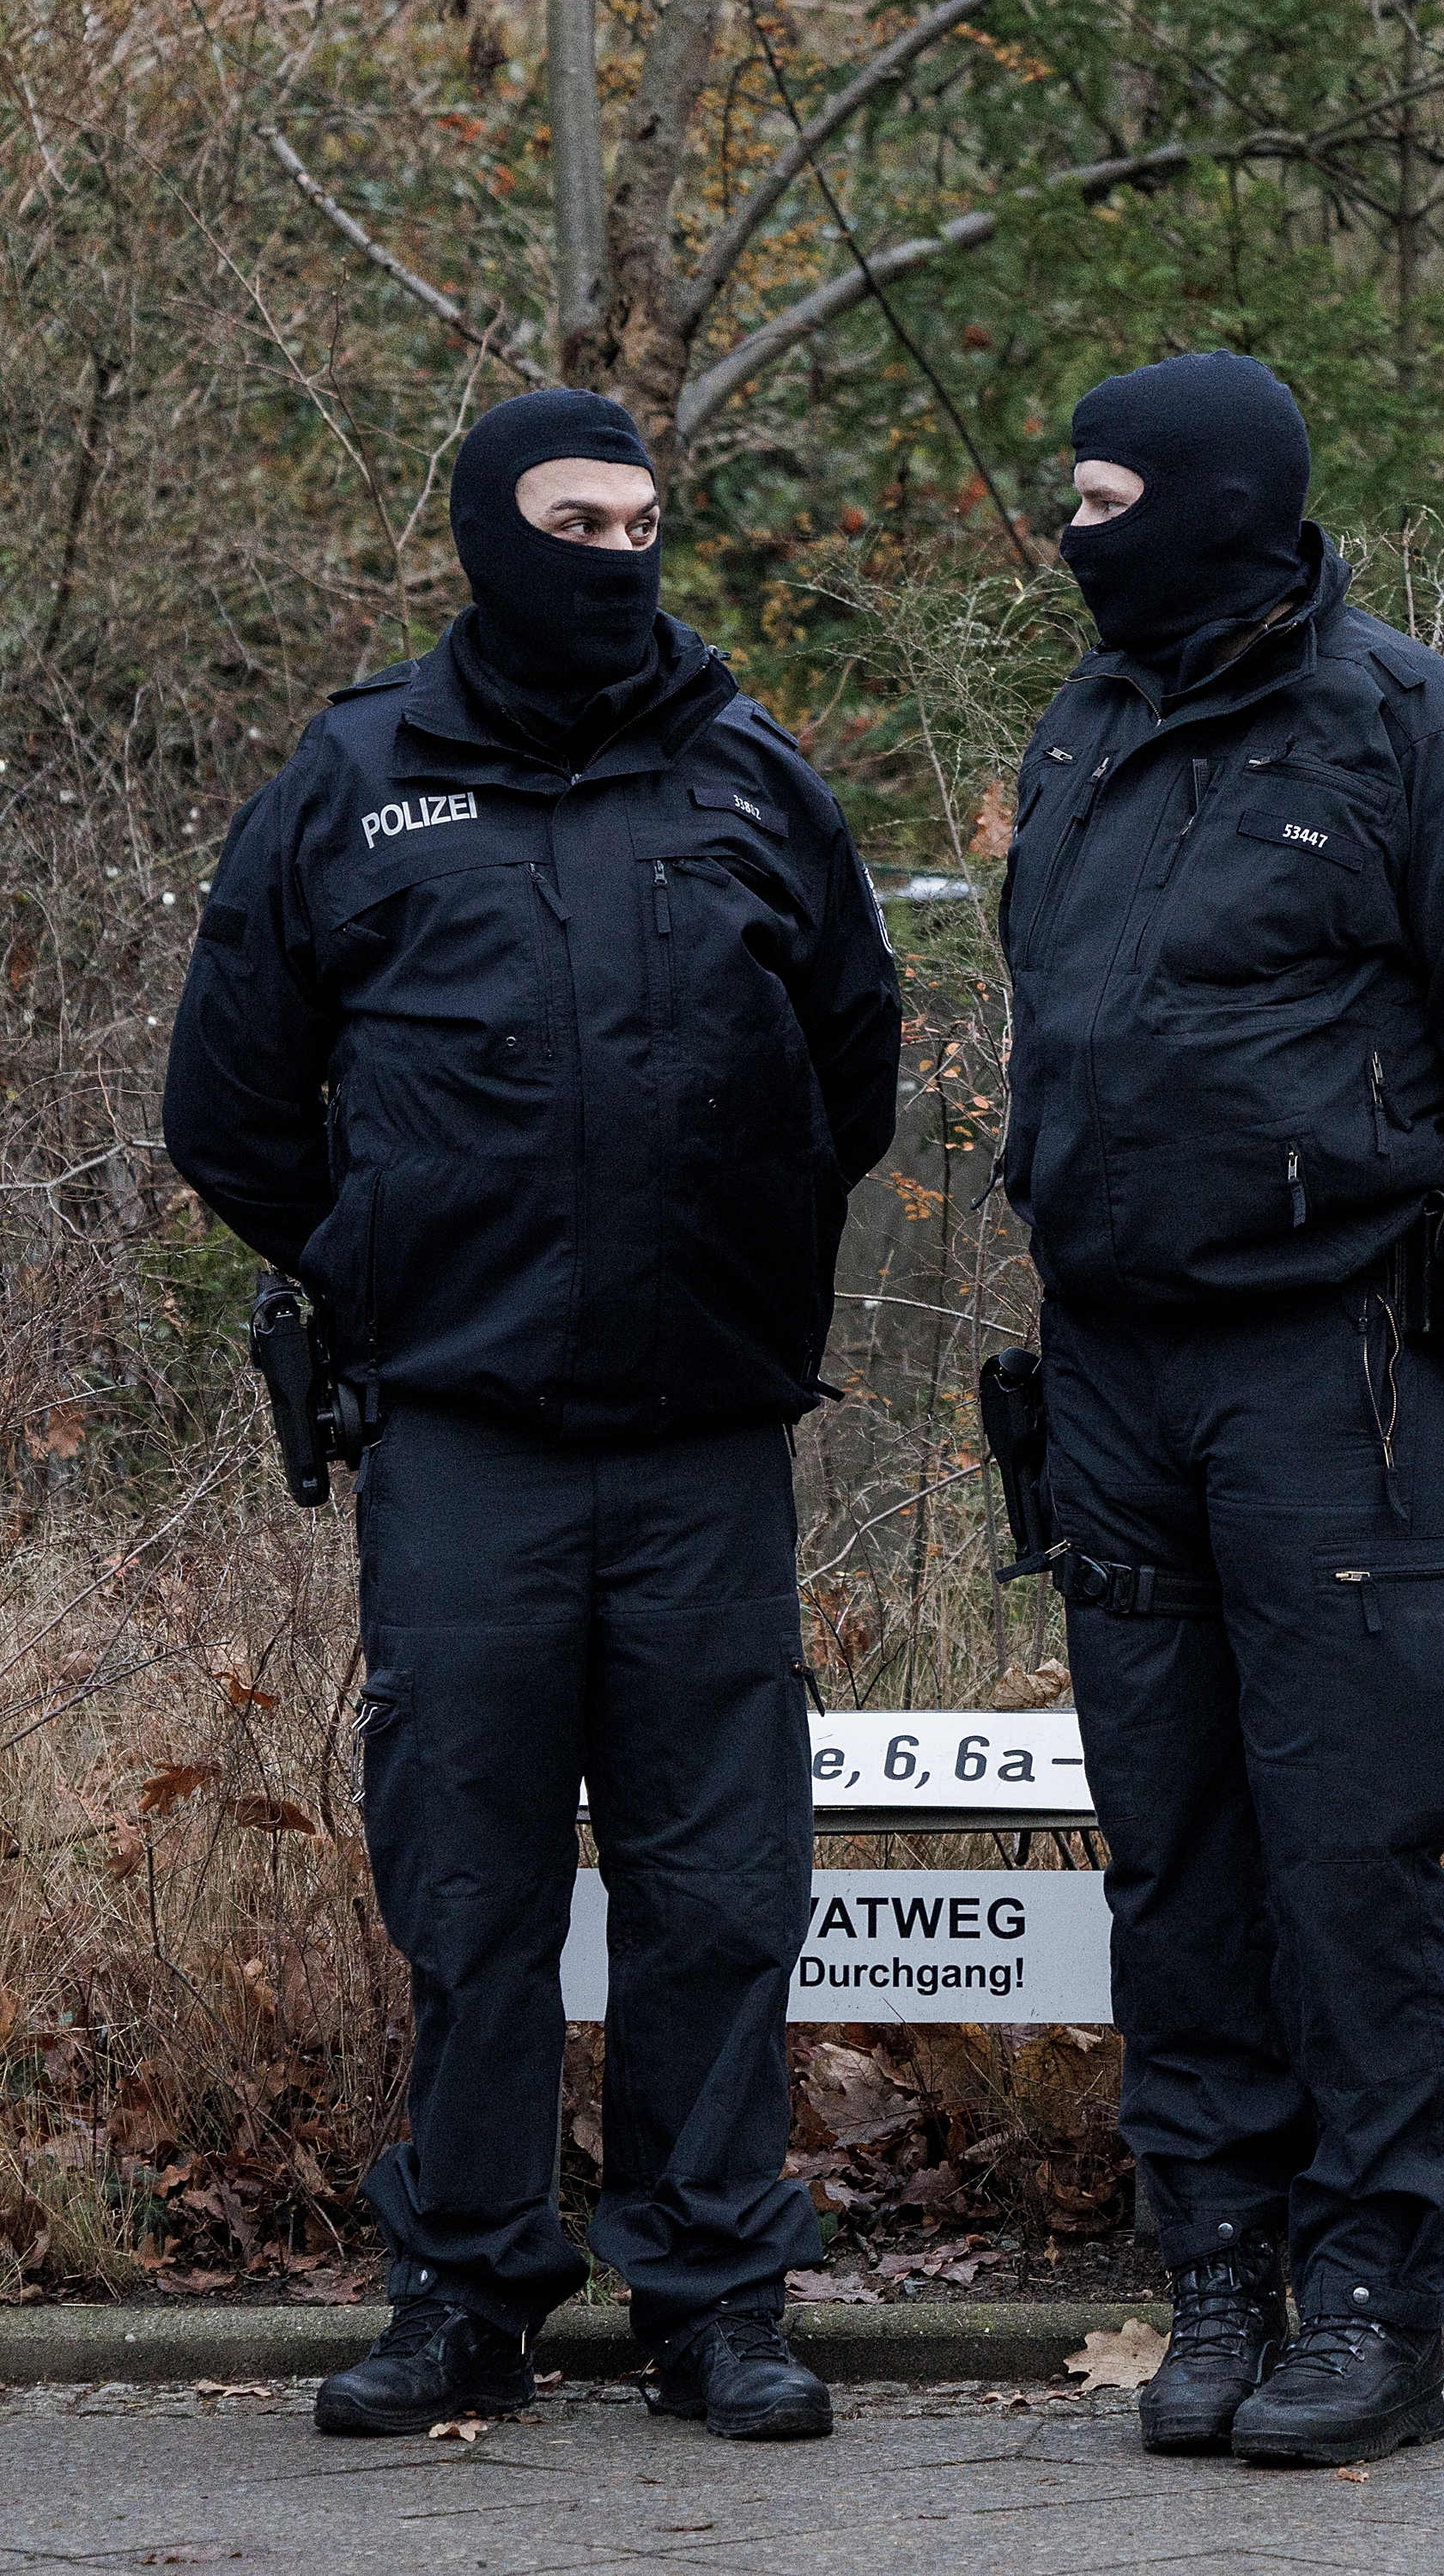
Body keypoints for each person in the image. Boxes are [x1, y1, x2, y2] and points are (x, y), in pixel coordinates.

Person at [165, 389, 899, 2442]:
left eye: (646, 520)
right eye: (577, 518)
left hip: (700, 1440)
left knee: (720, 1881)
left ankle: (712, 2295)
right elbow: (226, 1099)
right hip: (463, 1439)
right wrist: (388, 1255)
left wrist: (727, 1246)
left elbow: (852, 1073)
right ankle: (466, 2284)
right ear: (492, 533)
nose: (617, 555)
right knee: (471, 1881)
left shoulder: (753, 779)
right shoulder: (356, 780)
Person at [994, 353, 1444, 2469]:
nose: (1074, 535)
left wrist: (1436, 1295)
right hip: (1109, 1372)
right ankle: (1218, 2262)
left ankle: (1373, 2287)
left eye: (1103, 496)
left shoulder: (1412, 732)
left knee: (1350, 1841)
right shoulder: (1085, 727)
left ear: (1210, 503)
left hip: (1323, 1368)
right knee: (1172, 1840)